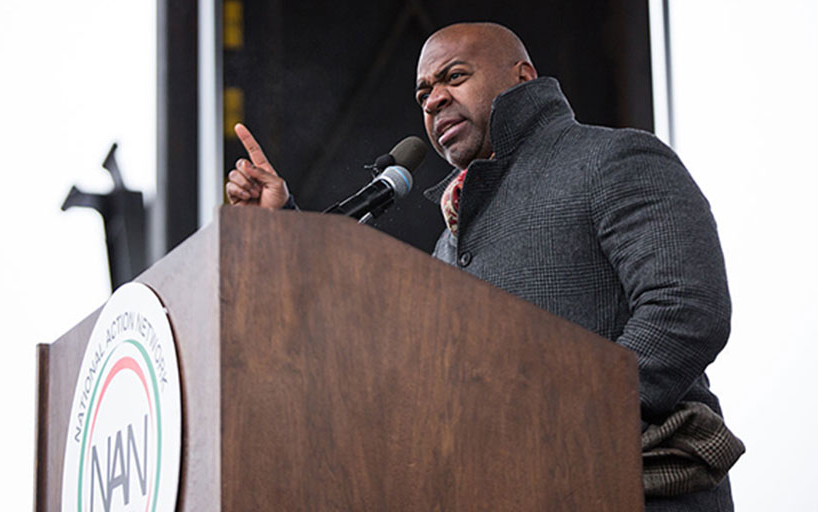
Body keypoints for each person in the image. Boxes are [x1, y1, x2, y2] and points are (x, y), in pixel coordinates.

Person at [226, 22, 742, 511]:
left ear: (523, 76)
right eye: (423, 93)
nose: (434, 99)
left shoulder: (613, 159)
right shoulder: (447, 246)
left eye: (454, 76)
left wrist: (563, 429)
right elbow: (381, 365)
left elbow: (686, 308)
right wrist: (284, 233)